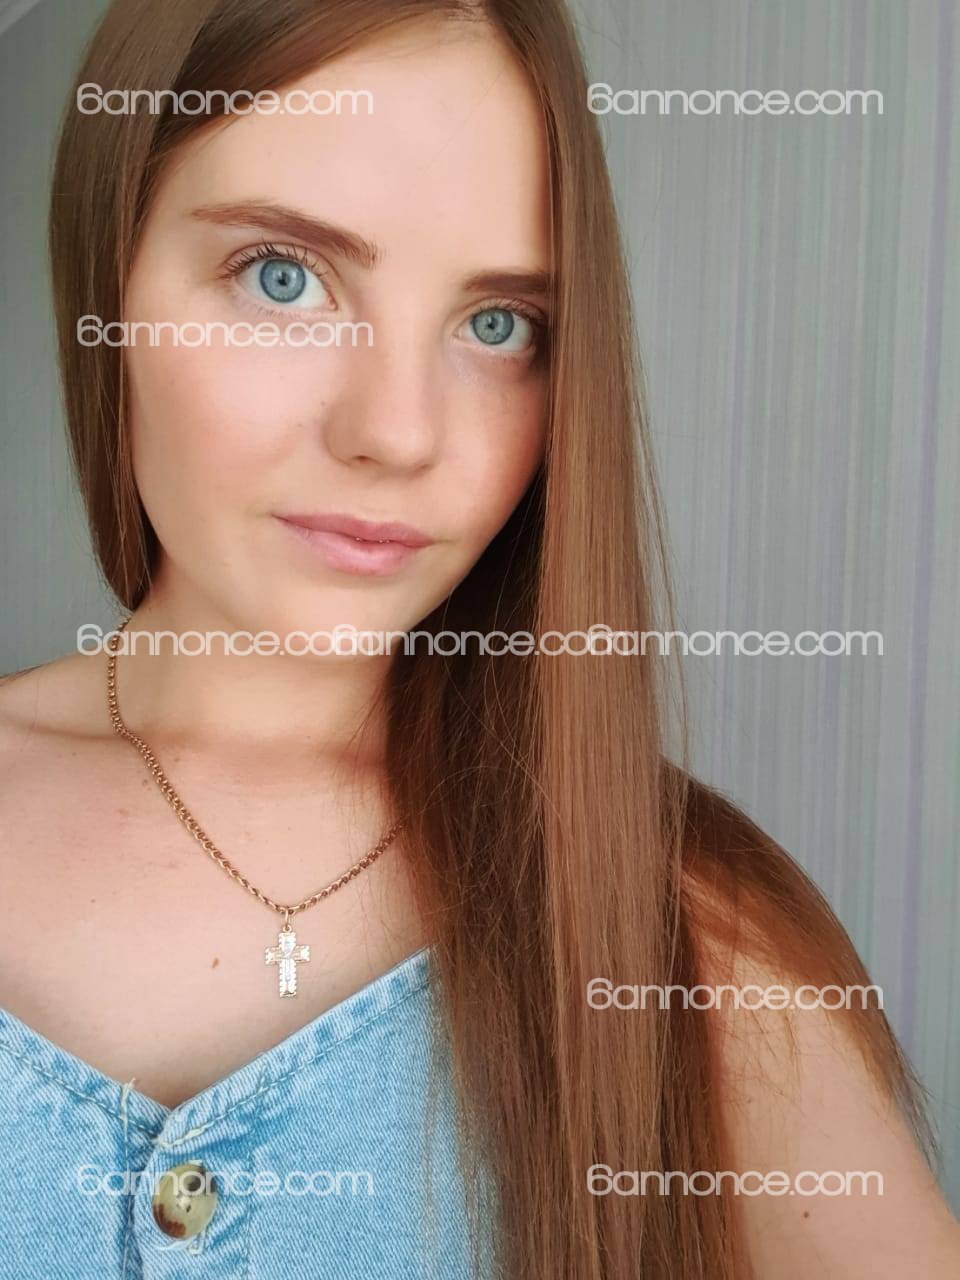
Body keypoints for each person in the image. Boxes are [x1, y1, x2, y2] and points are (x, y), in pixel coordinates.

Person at [0, 0, 957, 1276]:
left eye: (498, 323)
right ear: (106, 278)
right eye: (284, 277)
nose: (397, 432)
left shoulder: (684, 932)